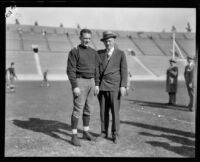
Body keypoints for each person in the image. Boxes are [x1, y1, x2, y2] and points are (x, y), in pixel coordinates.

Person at [67, 29, 100, 147]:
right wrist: (75, 86)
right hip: (80, 81)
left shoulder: (94, 52)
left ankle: (86, 132)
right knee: (78, 109)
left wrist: (96, 84)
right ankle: (74, 135)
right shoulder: (74, 52)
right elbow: (70, 71)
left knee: (89, 109)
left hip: (91, 82)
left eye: (89, 38)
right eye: (85, 38)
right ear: (80, 38)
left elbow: (97, 69)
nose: (87, 40)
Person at [96, 31, 128, 144]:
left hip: (115, 87)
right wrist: (96, 85)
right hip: (102, 87)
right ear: (103, 42)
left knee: (115, 112)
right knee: (103, 112)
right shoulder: (99, 54)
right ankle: (104, 132)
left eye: (109, 41)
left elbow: (124, 71)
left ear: (114, 41)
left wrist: (123, 86)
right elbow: (96, 71)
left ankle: (115, 134)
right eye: (106, 41)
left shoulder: (120, 54)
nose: (107, 43)